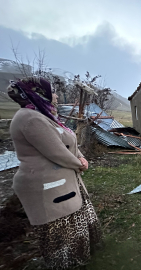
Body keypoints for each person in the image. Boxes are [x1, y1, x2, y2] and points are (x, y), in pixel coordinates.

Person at [7, 77, 102, 269]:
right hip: (47, 185)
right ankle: (67, 263)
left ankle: (82, 257)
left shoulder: (45, 115)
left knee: (76, 217)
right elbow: (56, 151)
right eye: (53, 91)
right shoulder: (31, 119)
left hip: (64, 179)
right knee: (60, 227)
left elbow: (68, 142)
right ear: (40, 94)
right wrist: (80, 164)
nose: (56, 96)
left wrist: (81, 157)